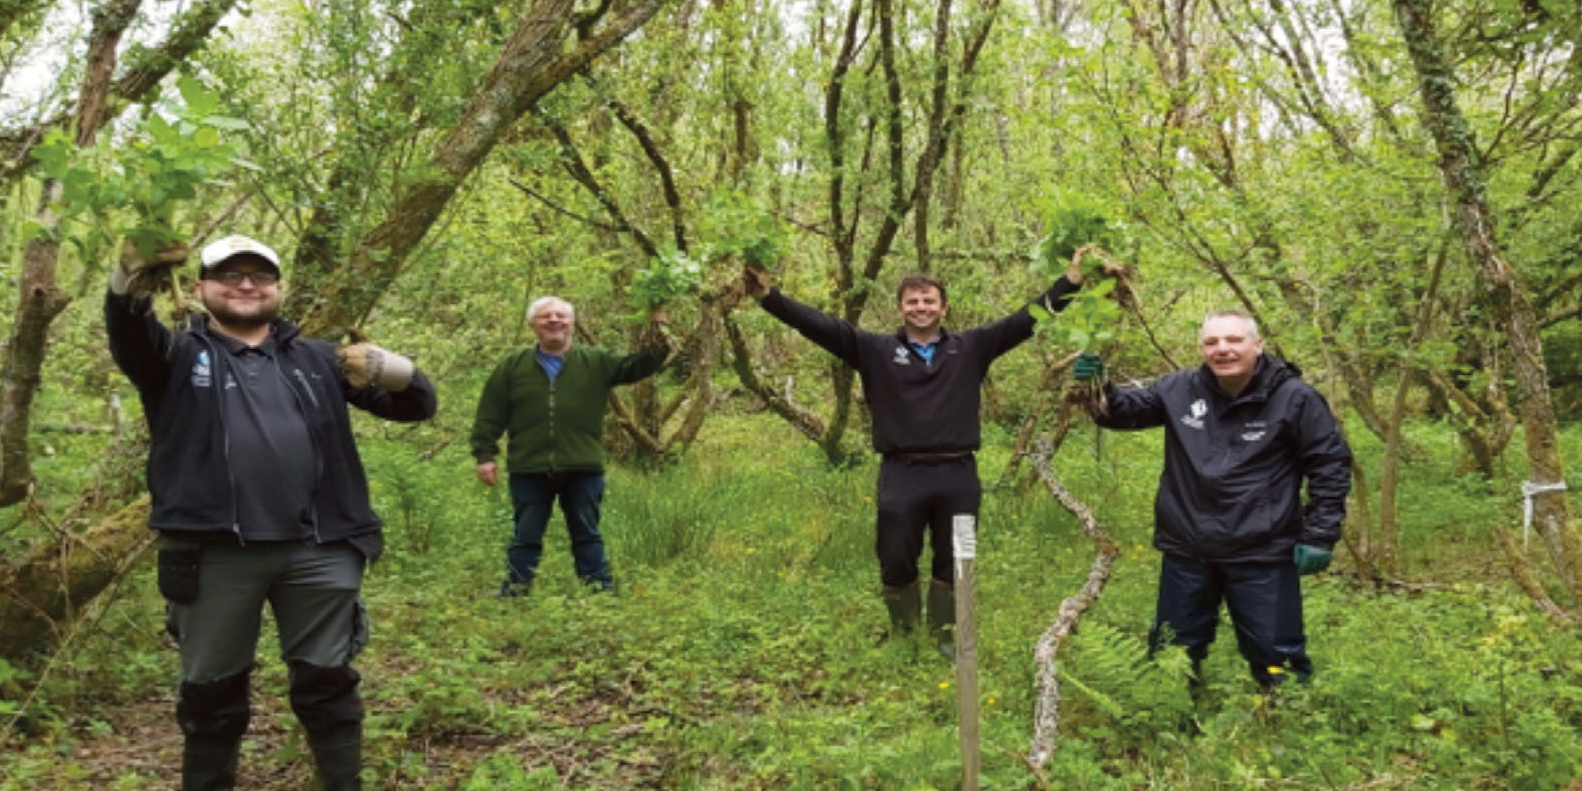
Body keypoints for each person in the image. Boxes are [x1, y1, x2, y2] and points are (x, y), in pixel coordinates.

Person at [106, 234, 437, 791]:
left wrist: (394, 368)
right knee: (209, 681)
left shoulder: (318, 360)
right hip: (213, 550)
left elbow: (418, 406)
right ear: (202, 290)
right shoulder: (174, 357)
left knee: (327, 674)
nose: (246, 285)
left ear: (279, 289)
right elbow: (127, 331)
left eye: (260, 276)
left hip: (320, 545)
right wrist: (131, 279)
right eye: (229, 276)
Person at [744, 260, 1084, 655]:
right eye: (912, 301)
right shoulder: (875, 350)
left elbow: (1027, 318)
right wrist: (768, 297)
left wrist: (1071, 282)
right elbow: (819, 326)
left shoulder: (971, 347)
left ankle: (943, 634)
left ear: (944, 308)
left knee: (957, 554)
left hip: (957, 472)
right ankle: (904, 634)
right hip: (901, 472)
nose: (920, 306)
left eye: (928, 300)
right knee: (896, 554)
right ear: (900, 308)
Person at [1074, 310, 1351, 698]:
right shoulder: (1178, 389)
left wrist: (1321, 533)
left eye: (1234, 340)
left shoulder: (1295, 398)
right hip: (1188, 546)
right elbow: (1119, 413)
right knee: (1174, 647)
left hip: (1261, 549)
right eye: (1212, 342)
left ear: (1258, 345)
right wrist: (1096, 386)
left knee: (1275, 652)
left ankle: (1287, 718)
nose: (1223, 349)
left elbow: (1329, 464)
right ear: (1201, 349)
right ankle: (1171, 716)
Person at [468, 296, 669, 596]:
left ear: (572, 323)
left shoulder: (596, 361)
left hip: (582, 466)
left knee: (587, 533)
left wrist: (658, 324)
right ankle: (514, 593)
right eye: (545, 316)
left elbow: (641, 364)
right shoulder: (512, 366)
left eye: (561, 315)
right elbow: (490, 412)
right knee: (526, 535)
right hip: (529, 467)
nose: (554, 320)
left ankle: (600, 594)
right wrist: (485, 454)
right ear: (532, 324)